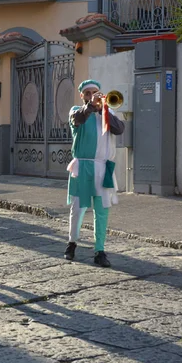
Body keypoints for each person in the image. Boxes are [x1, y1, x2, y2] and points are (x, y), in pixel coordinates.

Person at [64, 79, 125, 268]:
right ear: (82, 96)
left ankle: (100, 250)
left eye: (96, 92)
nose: (92, 95)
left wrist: (102, 109)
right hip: (83, 167)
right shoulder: (76, 111)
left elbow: (119, 129)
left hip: (102, 167)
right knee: (78, 208)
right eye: (88, 93)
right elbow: (77, 121)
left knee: (102, 210)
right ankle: (72, 243)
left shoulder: (108, 113)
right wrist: (91, 107)